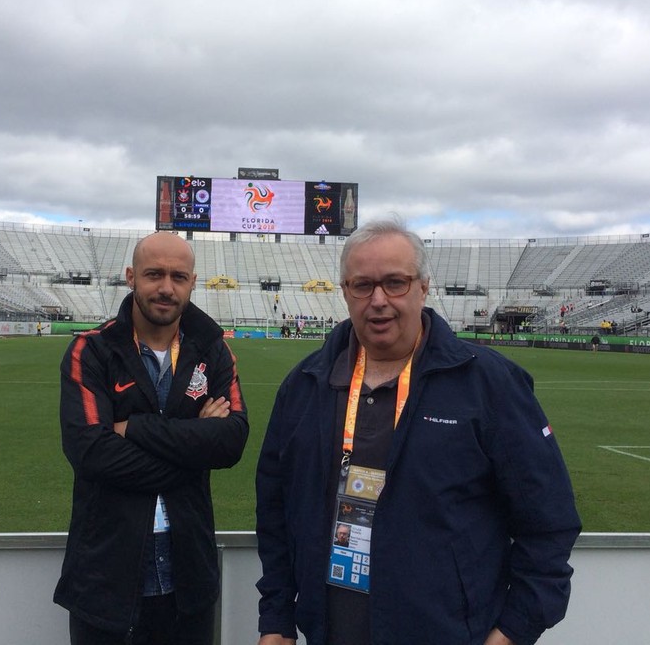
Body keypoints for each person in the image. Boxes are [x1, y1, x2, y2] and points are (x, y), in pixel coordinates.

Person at [255, 219, 581, 645]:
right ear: (344, 290)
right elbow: (275, 511)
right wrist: (278, 619)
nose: (378, 300)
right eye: (362, 285)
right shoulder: (304, 385)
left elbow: (550, 522)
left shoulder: (488, 384)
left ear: (423, 287)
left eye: (395, 283)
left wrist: (513, 630)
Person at [55, 231, 249, 645]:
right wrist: (195, 445)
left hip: (189, 581)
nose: (166, 287)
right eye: (154, 274)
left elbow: (232, 441)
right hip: (106, 578)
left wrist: (136, 429)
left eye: (178, 276)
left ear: (193, 282)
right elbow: (91, 452)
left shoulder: (214, 351)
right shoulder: (91, 350)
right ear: (131, 277)